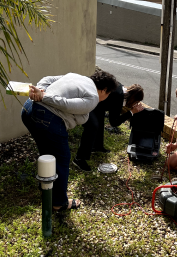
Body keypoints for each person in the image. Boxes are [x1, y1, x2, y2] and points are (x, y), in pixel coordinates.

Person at [21, 71, 117, 211]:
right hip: (48, 118)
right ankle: (58, 203)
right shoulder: (93, 97)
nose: (106, 97)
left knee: (47, 154)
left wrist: (39, 90)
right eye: (108, 94)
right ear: (104, 90)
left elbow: (48, 78)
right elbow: (66, 104)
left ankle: (46, 188)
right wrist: (43, 96)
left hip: (28, 109)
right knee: (61, 159)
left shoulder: (77, 76)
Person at [73, 82, 145, 171]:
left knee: (99, 118)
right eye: (136, 102)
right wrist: (131, 112)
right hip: (87, 102)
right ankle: (79, 158)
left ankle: (97, 146)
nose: (135, 104)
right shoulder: (118, 97)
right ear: (133, 98)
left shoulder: (121, 89)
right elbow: (114, 122)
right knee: (92, 126)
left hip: (97, 103)